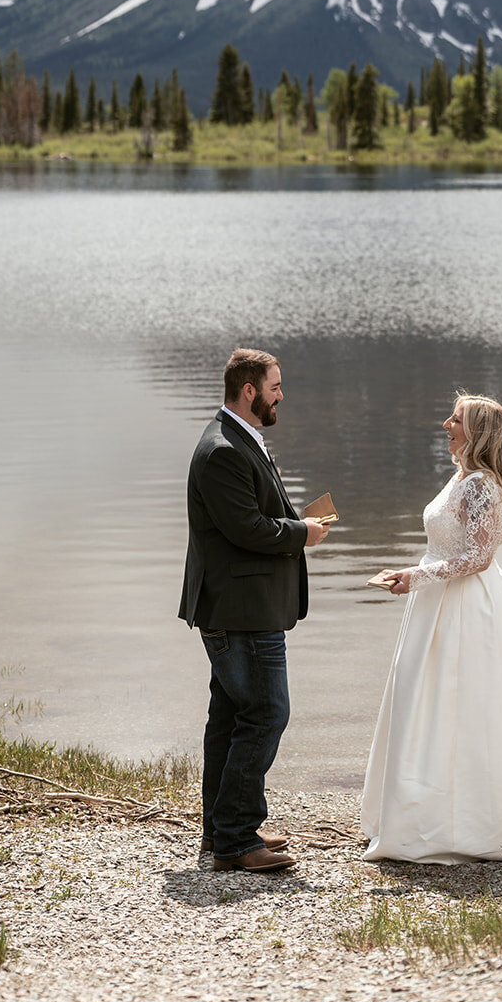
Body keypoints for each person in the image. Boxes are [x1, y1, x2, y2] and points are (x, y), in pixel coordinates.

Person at [361, 393, 502, 864]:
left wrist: (415, 577)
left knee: (465, 704)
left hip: (465, 609)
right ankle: (421, 812)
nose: (446, 424)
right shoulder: (461, 477)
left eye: (455, 420)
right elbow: (450, 546)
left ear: (477, 431)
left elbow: (480, 558)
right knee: (426, 703)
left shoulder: (481, 485)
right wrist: (413, 573)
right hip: (436, 603)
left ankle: (471, 823)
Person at [179, 348, 331, 873]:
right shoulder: (223, 449)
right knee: (266, 713)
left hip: (242, 608)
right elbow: (246, 529)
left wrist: (297, 522)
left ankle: (222, 833)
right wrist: (302, 533)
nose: (280, 395)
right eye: (274, 387)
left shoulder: (239, 440)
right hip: (240, 613)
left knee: (229, 719)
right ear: (249, 390)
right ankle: (237, 840)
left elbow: (251, 514)